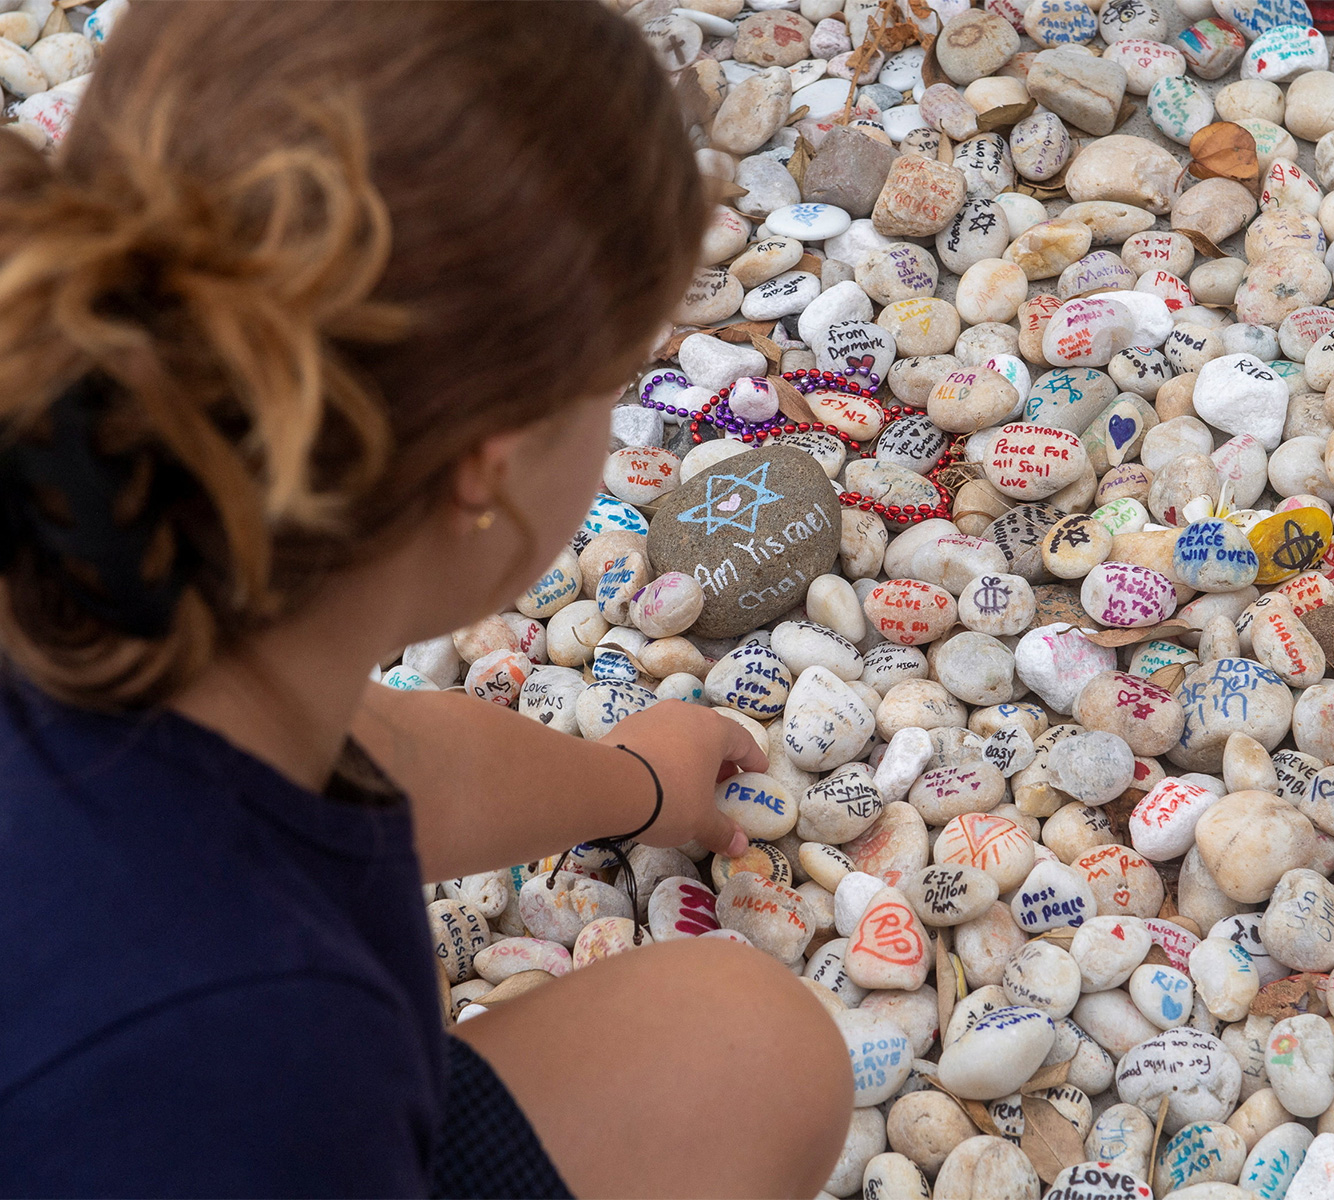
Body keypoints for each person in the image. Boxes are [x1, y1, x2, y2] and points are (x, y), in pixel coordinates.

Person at [0, 3, 854, 1196]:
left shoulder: (82, 509)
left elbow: (375, 753)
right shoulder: (261, 1040)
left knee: (740, 1051)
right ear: (486, 472)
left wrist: (634, 782)